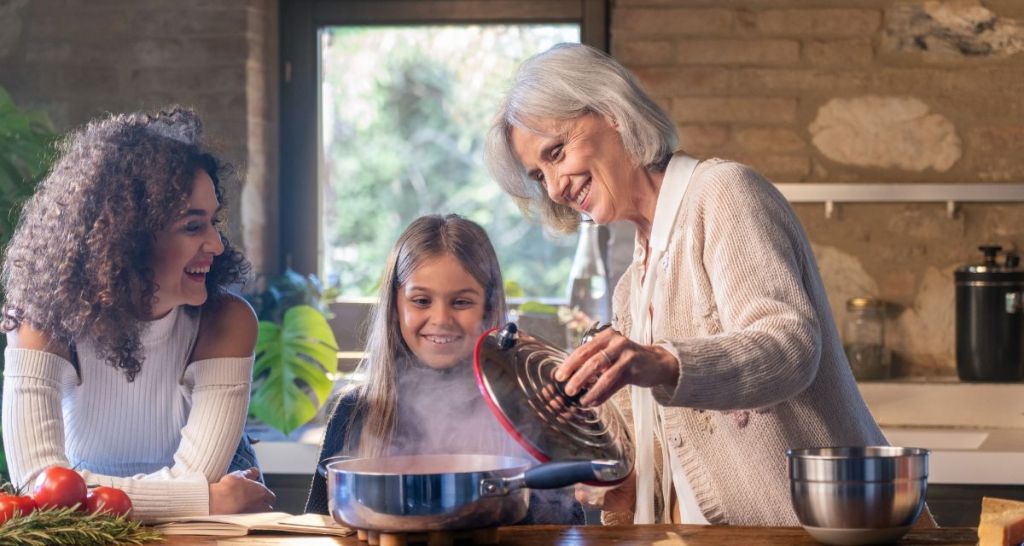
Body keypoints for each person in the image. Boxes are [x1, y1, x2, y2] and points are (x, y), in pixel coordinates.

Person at [484, 43, 893, 526]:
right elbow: (644, 448)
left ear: (613, 112)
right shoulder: (632, 287)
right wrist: (567, 410)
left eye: (557, 152)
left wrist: (663, 362)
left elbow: (789, 347)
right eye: (539, 175)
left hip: (819, 529)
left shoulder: (722, 194)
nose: (554, 188)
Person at [1, 107, 275, 519]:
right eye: (192, 226)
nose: (216, 244)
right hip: (103, 534)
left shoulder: (227, 321)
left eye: (214, 222)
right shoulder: (42, 319)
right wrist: (205, 499)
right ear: (127, 238)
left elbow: (194, 475)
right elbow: (36, 483)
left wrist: (82, 494)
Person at [305, 214, 583, 524]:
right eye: (421, 300)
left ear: (488, 308)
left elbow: (564, 526)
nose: (440, 319)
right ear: (395, 307)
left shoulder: (529, 414)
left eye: (461, 302)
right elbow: (319, 530)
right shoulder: (354, 412)